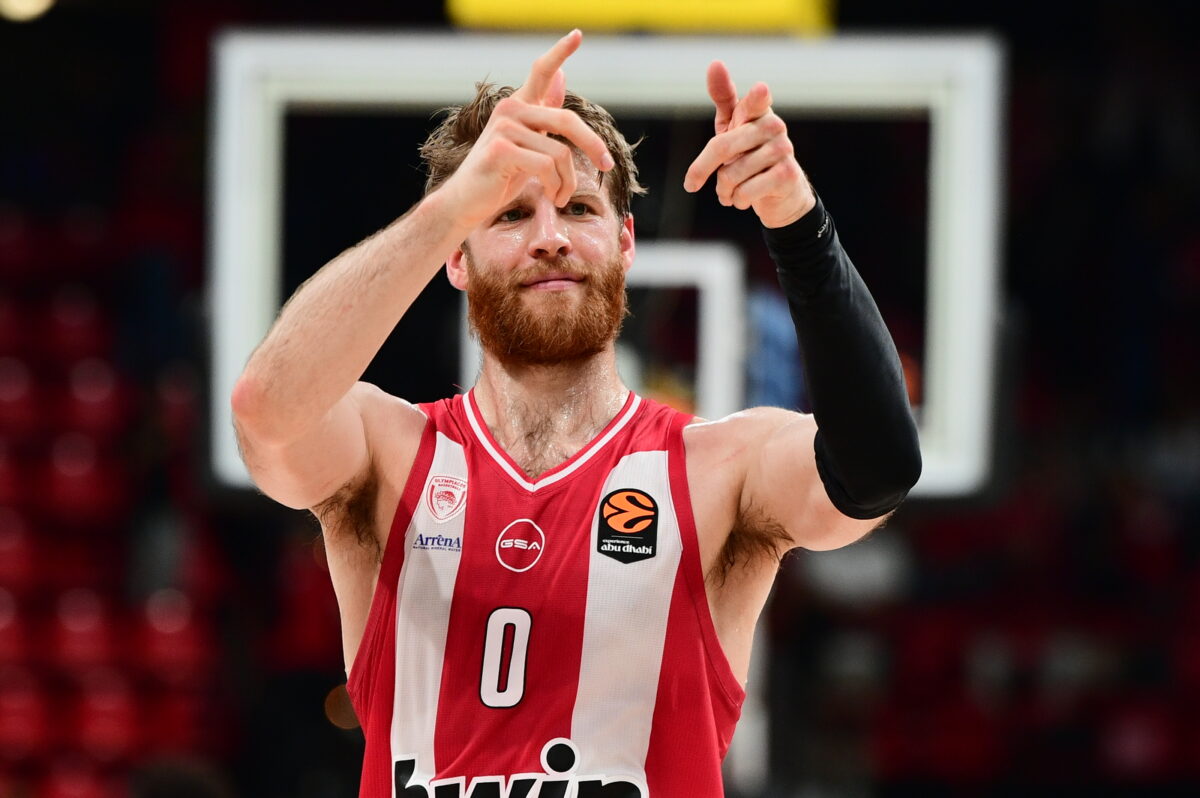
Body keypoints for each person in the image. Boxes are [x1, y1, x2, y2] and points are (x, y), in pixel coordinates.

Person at [231, 29, 920, 798]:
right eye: (508, 213)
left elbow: (878, 471)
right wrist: (448, 207)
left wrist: (800, 226)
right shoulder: (387, 454)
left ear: (625, 244)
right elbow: (267, 411)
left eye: (579, 208)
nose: (550, 238)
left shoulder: (716, 469)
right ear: (456, 256)